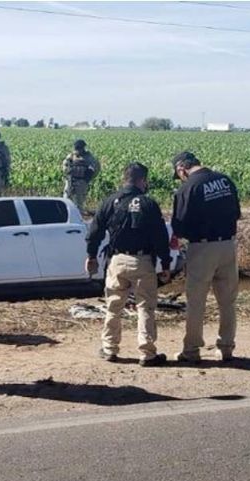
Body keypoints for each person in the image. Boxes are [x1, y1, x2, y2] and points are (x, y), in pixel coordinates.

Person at [86, 162, 172, 367]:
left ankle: (109, 348)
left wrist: (91, 256)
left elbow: (94, 232)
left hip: (116, 261)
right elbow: (161, 237)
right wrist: (166, 264)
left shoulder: (110, 202)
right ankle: (147, 353)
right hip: (142, 262)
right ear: (142, 181)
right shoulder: (149, 204)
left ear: (124, 179)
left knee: (113, 306)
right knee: (145, 307)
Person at [170, 151, 241, 362]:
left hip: (202, 248)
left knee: (196, 302)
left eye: (179, 173)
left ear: (182, 168)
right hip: (228, 245)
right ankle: (226, 347)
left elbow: (179, 225)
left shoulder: (188, 188)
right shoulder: (225, 181)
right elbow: (236, 212)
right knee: (227, 301)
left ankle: (191, 350)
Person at [62, 139, 100, 212]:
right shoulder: (71, 156)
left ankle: (79, 218)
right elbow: (64, 166)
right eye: (76, 148)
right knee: (66, 200)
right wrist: (68, 173)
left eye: (79, 148)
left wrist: (88, 178)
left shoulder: (89, 157)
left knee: (79, 203)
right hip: (70, 180)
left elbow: (96, 168)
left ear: (83, 148)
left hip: (81, 182)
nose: (77, 150)